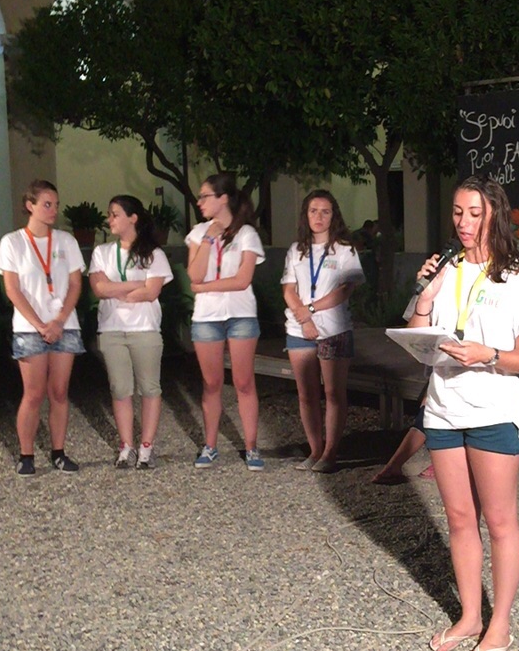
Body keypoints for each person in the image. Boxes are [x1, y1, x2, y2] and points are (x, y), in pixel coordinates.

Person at [409, 175, 519, 651]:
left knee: (500, 521)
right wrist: (425, 298)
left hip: (493, 412)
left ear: (495, 215)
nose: (463, 223)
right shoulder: (445, 268)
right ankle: (470, 616)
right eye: (457, 212)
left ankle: (500, 624)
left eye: (474, 213)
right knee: (460, 520)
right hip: (443, 410)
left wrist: (487, 354)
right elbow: (418, 340)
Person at [0, 179, 86, 476]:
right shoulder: (13, 242)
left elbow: (75, 284)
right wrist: (39, 324)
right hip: (29, 328)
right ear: (29, 205)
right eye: (47, 204)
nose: (53, 210)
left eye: (56, 205)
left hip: (64, 326)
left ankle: (59, 452)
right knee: (33, 394)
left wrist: (58, 321)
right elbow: (12, 289)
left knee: (59, 392)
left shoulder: (66, 241)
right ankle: (26, 455)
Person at [185, 172, 266, 470]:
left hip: (240, 314)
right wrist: (209, 238)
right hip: (207, 317)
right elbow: (193, 274)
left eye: (204, 196)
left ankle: (252, 447)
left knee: (244, 382)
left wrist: (204, 287)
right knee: (211, 383)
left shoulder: (246, 234)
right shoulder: (198, 233)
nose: (199, 202)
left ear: (223, 198)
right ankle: (210, 446)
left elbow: (242, 280)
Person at [282, 189, 365, 473]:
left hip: (334, 329)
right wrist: (303, 317)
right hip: (299, 329)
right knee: (306, 394)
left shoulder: (344, 250)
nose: (319, 217)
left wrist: (311, 310)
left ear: (334, 216)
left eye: (325, 211)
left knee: (333, 393)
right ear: (305, 215)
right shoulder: (296, 250)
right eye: (313, 211)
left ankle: (330, 453)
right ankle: (315, 450)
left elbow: (345, 289)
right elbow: (288, 289)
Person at [88, 195, 174, 469]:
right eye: (110, 214)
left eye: (115, 214)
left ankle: (146, 447)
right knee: (120, 389)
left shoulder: (154, 254)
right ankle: (126, 446)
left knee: (150, 387)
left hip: (144, 329)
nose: (109, 220)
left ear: (133, 218)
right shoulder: (102, 252)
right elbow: (99, 289)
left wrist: (116, 288)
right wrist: (136, 284)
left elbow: (151, 292)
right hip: (112, 329)